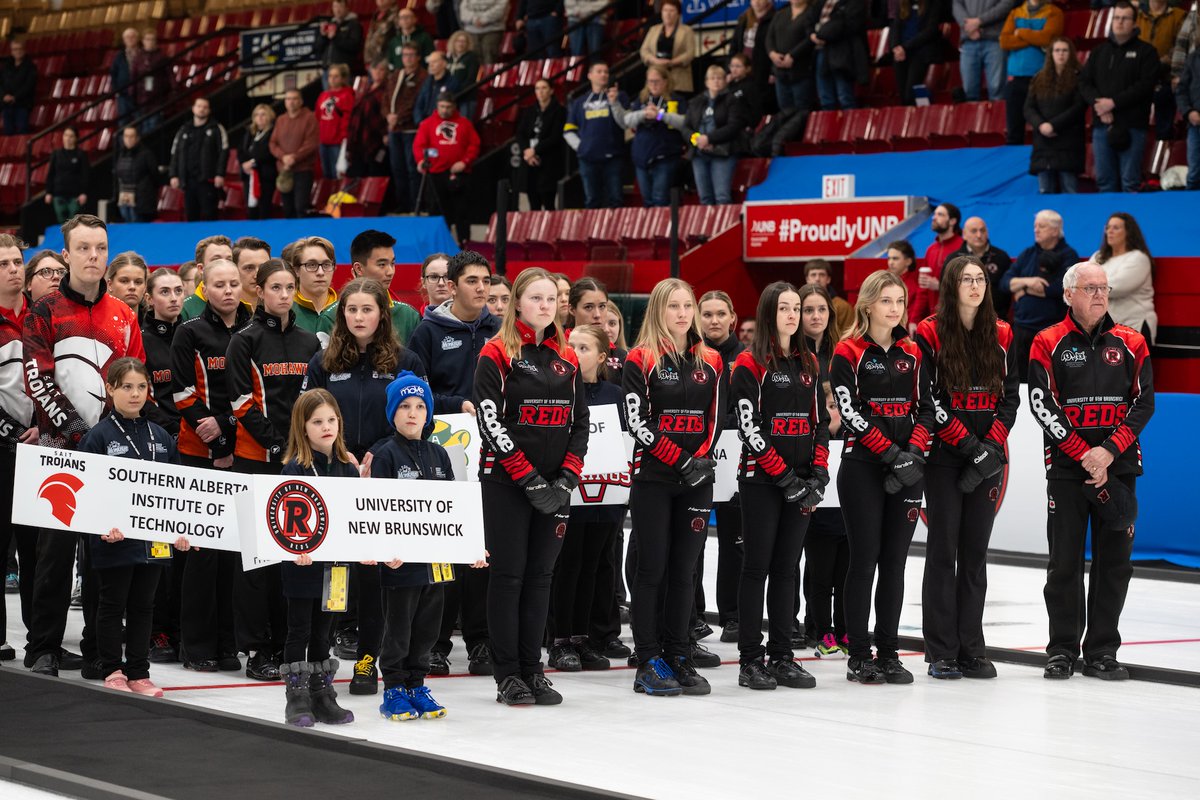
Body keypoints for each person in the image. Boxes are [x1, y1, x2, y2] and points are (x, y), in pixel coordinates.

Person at [22, 216, 146, 678]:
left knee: (103, 557)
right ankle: (43, 648)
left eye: (101, 248)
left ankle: (98, 649)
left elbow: (135, 379)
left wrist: (111, 438)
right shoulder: (45, 310)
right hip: (58, 453)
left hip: (110, 456)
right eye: (84, 248)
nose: (94, 256)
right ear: (67, 254)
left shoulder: (123, 314)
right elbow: (37, 381)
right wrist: (82, 435)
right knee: (53, 557)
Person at [1029, 262, 1154, 681]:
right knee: (1064, 563)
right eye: (1090, 288)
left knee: (1114, 564)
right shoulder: (1047, 341)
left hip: (1119, 467)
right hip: (1068, 469)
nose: (1100, 294)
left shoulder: (1132, 341)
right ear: (1069, 295)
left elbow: (1144, 403)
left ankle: (1102, 651)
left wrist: (1108, 452)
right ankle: (1062, 650)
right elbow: (1041, 405)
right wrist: (1085, 454)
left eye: (1104, 287)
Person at [304, 278, 426, 694]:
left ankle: (367, 661)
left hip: (381, 477)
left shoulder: (405, 360)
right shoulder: (323, 361)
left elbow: (419, 419)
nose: (359, 317)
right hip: (334, 476)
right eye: (351, 309)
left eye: (367, 309)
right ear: (342, 315)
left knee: (373, 576)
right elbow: (307, 418)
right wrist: (339, 452)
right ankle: (321, 658)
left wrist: (378, 451)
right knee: (334, 572)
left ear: (382, 314)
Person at [475, 268, 588, 705]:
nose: (544, 306)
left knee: (541, 578)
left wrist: (567, 477)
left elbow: (580, 423)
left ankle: (533, 670)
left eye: (550, 299)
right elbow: (490, 422)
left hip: (556, 487)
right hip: (506, 483)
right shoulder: (496, 352)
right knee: (508, 577)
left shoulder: (568, 355)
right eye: (535, 298)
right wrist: (528, 479)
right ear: (517, 303)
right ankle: (508, 675)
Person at [914, 255, 1019, 680]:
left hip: (988, 459)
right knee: (943, 552)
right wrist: (969, 446)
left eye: (980, 279)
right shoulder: (928, 332)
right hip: (943, 458)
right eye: (966, 279)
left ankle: (971, 649)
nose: (975, 286)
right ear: (951, 286)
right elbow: (928, 399)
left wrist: (989, 448)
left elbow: (1010, 399)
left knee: (975, 555)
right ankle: (941, 651)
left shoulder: (1004, 333)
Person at [624, 278, 726, 697]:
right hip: (654, 478)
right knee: (652, 569)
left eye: (688, 306)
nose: (682, 314)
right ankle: (648, 659)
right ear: (658, 311)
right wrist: (680, 459)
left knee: (686, 570)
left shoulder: (712, 360)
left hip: (696, 480)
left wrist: (697, 461)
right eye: (673, 306)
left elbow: (715, 419)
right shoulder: (641, 358)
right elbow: (637, 421)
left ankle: (679, 654)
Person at [830, 270, 933, 685]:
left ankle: (889, 653)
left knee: (894, 563)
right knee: (864, 559)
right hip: (863, 468)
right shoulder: (848, 350)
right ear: (868, 305)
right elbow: (849, 412)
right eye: (886, 301)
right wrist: (891, 454)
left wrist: (913, 454)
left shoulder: (914, 351)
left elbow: (927, 408)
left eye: (900, 301)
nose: (895, 309)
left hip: (908, 468)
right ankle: (859, 655)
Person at [731, 281, 828, 690]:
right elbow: (749, 429)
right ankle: (750, 660)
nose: (793, 315)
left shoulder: (809, 362)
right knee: (757, 567)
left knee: (788, 568)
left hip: (801, 483)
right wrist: (785, 477)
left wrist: (818, 474)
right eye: (784, 308)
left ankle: (783, 655)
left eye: (797, 308)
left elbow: (820, 424)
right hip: (762, 482)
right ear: (769, 312)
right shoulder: (749, 363)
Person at [408, 251, 499, 675]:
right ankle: (436, 643)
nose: (481, 288)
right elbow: (416, 391)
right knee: (444, 549)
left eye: (486, 280)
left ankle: (480, 641)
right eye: (472, 281)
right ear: (452, 284)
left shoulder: (499, 330)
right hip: (443, 452)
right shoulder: (428, 332)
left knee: (482, 550)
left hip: (493, 452)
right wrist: (455, 404)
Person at [78, 358, 183, 697]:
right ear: (110, 389)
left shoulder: (161, 437)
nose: (135, 394)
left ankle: (139, 671)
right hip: (114, 539)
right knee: (112, 603)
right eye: (127, 387)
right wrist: (100, 526)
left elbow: (178, 491)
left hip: (153, 539)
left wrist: (181, 530)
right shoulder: (98, 437)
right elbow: (86, 491)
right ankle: (112, 668)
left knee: (143, 605)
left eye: (141, 387)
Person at [171, 258, 251, 672]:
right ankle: (196, 646)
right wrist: (218, 439)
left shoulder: (253, 330)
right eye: (219, 284)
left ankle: (228, 643)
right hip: (198, 452)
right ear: (204, 287)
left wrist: (229, 427)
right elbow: (181, 394)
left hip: (245, 451)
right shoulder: (190, 332)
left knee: (234, 556)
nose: (228, 291)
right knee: (202, 554)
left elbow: (258, 393)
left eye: (234, 283)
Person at [373, 371, 466, 721]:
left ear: (428, 413)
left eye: (420, 406)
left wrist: (467, 547)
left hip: (435, 562)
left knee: (428, 627)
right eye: (404, 406)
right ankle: (394, 687)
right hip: (400, 564)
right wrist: (386, 551)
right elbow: (376, 510)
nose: (413, 413)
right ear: (392, 413)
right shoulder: (385, 455)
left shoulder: (440, 455)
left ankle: (416, 683)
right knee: (398, 627)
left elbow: (454, 507)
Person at [277, 389, 358, 727]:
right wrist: (294, 549)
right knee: (299, 629)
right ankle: (296, 697)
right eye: (317, 422)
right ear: (303, 427)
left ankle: (322, 694)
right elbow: (281, 521)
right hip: (302, 566)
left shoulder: (348, 469)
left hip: (336, 569)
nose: (326, 427)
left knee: (324, 632)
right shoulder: (293, 469)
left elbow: (358, 519)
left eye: (331, 420)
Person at [548, 324, 624, 673]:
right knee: (568, 566)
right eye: (571, 345)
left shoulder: (615, 394)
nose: (575, 353)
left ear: (602, 356)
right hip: (569, 492)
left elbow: (626, 440)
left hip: (606, 494)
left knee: (594, 566)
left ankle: (583, 637)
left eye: (584, 348)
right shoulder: (559, 388)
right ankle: (560, 640)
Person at [228, 259, 321, 471]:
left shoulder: (310, 341)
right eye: (276, 288)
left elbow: (317, 398)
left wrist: (302, 444)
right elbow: (241, 403)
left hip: (303, 454)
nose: (284, 295)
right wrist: (279, 446)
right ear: (260, 292)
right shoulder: (243, 340)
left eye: (290, 287)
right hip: (255, 456)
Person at [795, 283, 848, 657]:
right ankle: (813, 627)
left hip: (840, 465)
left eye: (821, 310)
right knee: (812, 562)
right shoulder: (790, 354)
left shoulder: (840, 354)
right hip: (801, 463)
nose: (815, 316)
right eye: (808, 309)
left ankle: (837, 630)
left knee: (838, 564)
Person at [695, 290, 742, 644]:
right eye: (707, 314)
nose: (714, 320)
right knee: (691, 540)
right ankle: (692, 614)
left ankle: (734, 616)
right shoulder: (691, 356)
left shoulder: (746, 357)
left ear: (732, 318)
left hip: (735, 454)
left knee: (735, 542)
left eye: (720, 314)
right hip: (696, 454)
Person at [0, 235, 38, 668]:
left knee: (37, 552)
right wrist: (13, 431)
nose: (14, 269)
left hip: (39, 448)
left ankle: (41, 641)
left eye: (17, 261)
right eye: (4, 263)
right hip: (3, 448)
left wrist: (43, 426)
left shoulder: (40, 317)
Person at [1080, 1, 1159, 193]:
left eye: (1125, 18)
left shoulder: (1147, 52)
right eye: (1116, 18)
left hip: (1133, 125)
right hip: (1102, 124)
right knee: (1104, 182)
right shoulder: (1099, 52)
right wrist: (1099, 105)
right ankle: (1108, 215)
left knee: (1129, 182)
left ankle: (1130, 215)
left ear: (1134, 23)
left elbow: (1145, 86)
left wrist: (1113, 103)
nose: (1120, 22)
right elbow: (1084, 83)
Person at [1001, 209, 1078, 380]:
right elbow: (1005, 282)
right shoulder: (1028, 254)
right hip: (1022, 329)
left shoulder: (1068, 255)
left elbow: (1061, 288)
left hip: (1052, 329)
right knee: (1020, 379)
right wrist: (1029, 281)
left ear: (1055, 230)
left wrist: (1023, 289)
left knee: (1050, 379)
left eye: (1041, 226)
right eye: (1035, 226)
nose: (1036, 230)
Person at [318, 230, 422, 347]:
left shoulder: (409, 316)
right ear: (358, 269)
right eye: (382, 264)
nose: (390, 272)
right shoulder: (331, 317)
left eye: (392, 264)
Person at [414, 91, 480, 244]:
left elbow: (474, 145)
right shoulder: (427, 124)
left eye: (448, 107)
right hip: (435, 174)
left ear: (454, 106)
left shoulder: (464, 123)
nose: (444, 110)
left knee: (461, 212)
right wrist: (420, 161)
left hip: (459, 174)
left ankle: (464, 245)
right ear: (437, 106)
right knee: (436, 212)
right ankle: (437, 244)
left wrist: (465, 162)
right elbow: (419, 146)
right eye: (442, 106)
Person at [616, 66, 685, 208]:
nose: (653, 85)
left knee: (660, 199)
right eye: (650, 81)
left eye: (656, 81)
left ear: (665, 81)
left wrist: (660, 115)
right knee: (647, 200)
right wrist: (643, 114)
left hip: (665, 156)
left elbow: (684, 123)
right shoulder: (641, 99)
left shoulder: (676, 99)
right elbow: (627, 121)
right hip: (642, 157)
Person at [1025, 37, 1086, 196]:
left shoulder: (1080, 78)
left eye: (1065, 50)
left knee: (1069, 190)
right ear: (1050, 54)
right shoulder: (1038, 78)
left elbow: (1079, 107)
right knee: (1045, 192)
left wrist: (1053, 125)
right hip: (1043, 143)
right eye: (1057, 50)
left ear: (1071, 54)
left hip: (1069, 142)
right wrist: (1041, 125)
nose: (1061, 54)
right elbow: (1028, 108)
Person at [564, 62, 628, 209]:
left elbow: (626, 123)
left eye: (606, 72)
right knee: (592, 200)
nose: (603, 75)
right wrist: (581, 147)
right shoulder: (579, 102)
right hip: (588, 159)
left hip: (613, 157)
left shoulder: (620, 96)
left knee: (616, 199)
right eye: (599, 71)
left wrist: (614, 102)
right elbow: (568, 130)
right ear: (590, 76)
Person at [1000, 0, 1064, 146]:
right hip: (1016, 79)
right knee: (1014, 133)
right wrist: (1035, 38)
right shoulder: (1015, 13)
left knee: (1042, 130)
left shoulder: (1054, 13)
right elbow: (1004, 41)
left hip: (1042, 79)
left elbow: (1047, 38)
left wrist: (1021, 33)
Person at [1091, 212, 1157, 343]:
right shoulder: (1098, 256)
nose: (1110, 231)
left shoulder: (1138, 258)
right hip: (1104, 329)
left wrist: (1088, 286)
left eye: (1116, 228)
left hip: (1133, 326)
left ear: (1128, 232)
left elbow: (1116, 288)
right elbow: (1081, 278)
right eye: (1108, 227)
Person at [685, 65, 746, 207]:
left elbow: (734, 126)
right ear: (706, 82)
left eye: (720, 78)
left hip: (723, 152)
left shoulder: (732, 100)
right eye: (712, 78)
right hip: (699, 153)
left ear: (725, 81)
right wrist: (697, 140)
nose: (716, 81)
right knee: (704, 197)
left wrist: (709, 139)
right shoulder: (696, 102)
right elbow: (686, 127)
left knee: (722, 196)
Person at [168, 97, 228, 222]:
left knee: (209, 215)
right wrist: (173, 174)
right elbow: (175, 153)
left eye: (205, 107)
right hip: (188, 181)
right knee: (191, 215)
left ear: (209, 110)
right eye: (199, 106)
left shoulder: (216, 128)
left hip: (208, 181)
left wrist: (220, 174)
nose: (202, 109)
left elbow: (224, 152)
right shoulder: (184, 129)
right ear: (193, 109)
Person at [141, 268, 184, 437]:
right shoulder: (140, 340)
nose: (174, 298)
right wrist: (171, 430)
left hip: (199, 432)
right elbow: (140, 397)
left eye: (178, 291)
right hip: (160, 433)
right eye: (165, 292)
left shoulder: (195, 335)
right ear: (149, 299)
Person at [1137, 0, 1186, 143]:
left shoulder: (1180, 15)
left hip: (1165, 79)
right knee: (1134, 129)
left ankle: (1163, 149)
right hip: (1138, 81)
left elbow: (1180, 47)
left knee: (1164, 130)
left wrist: (1155, 66)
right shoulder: (1136, 15)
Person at [386, 45, 427, 212]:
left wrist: (398, 117)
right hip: (394, 129)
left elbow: (415, 102)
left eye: (411, 55)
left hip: (411, 129)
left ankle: (415, 205)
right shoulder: (396, 75)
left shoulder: (423, 76)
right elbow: (386, 98)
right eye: (405, 55)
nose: (408, 58)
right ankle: (402, 205)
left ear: (418, 57)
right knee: (397, 169)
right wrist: (387, 115)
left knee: (412, 169)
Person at [516, 79, 567, 211]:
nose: (540, 91)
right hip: (529, 160)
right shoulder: (529, 111)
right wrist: (527, 151)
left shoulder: (559, 111)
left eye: (544, 88)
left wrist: (535, 150)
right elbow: (520, 133)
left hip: (549, 161)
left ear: (551, 91)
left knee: (548, 203)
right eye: (537, 88)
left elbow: (555, 136)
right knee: (533, 203)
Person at [913, 202, 964, 326]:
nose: (934, 218)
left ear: (952, 221)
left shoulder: (963, 247)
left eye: (940, 214)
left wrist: (939, 286)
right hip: (934, 320)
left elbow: (970, 284)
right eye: (935, 214)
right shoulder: (931, 249)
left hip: (958, 319)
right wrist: (914, 319)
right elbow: (923, 288)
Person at [271, 90, 320, 218]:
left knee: (301, 207)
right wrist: (283, 157)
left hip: (303, 169)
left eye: (294, 99)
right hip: (284, 170)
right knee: (287, 209)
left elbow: (311, 143)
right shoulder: (281, 119)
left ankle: (304, 231)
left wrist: (294, 157)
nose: (291, 102)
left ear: (301, 101)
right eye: (288, 99)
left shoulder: (310, 117)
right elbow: (273, 143)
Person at [811, 0, 867, 112]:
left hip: (843, 53)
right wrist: (812, 34)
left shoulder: (854, 3)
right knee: (825, 99)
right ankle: (828, 122)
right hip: (821, 51)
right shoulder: (821, 2)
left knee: (845, 96)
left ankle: (850, 122)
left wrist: (823, 35)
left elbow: (848, 25)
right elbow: (808, 21)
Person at [953, 216, 1013, 321]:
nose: (979, 235)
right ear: (964, 234)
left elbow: (1008, 292)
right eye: (974, 231)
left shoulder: (1001, 257)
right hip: (961, 320)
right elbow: (947, 291)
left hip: (996, 318)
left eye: (982, 230)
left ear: (987, 233)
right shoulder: (954, 260)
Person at [891, 0, 946, 107]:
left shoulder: (933, 4)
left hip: (922, 52)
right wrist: (896, 48)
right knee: (903, 97)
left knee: (910, 94)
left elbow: (930, 31)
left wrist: (905, 47)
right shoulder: (902, 5)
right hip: (902, 54)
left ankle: (926, 109)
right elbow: (895, 28)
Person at [765, 0, 817, 112]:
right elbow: (769, 37)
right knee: (785, 110)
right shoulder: (780, 13)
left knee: (801, 109)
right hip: (780, 72)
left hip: (801, 70)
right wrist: (772, 53)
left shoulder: (812, 13)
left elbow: (810, 38)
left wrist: (793, 55)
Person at [955, 0, 1010, 102]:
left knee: (997, 92)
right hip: (969, 39)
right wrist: (967, 25)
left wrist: (979, 21)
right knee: (969, 91)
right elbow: (956, 3)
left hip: (995, 39)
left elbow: (1007, 3)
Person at [346, 60, 391, 180]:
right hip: (360, 137)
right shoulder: (365, 88)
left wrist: (385, 132)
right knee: (357, 173)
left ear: (386, 72)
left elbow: (385, 113)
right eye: (375, 69)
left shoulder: (388, 90)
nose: (378, 72)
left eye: (381, 70)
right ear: (370, 71)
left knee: (376, 173)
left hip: (377, 137)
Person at [640, 0, 697, 94]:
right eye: (665, 10)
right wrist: (655, 60)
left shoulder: (687, 31)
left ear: (678, 13)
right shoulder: (653, 29)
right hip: (656, 79)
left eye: (671, 10)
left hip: (679, 80)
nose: (668, 14)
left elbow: (690, 53)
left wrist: (671, 62)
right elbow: (644, 50)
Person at [732, 0, 777, 113]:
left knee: (762, 103)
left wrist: (773, 71)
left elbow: (777, 45)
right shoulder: (744, 18)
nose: (757, 2)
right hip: (744, 68)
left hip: (763, 69)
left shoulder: (774, 18)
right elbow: (735, 45)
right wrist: (732, 67)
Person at [180, 235, 236, 322]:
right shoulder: (184, 309)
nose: (224, 265)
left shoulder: (243, 306)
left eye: (229, 260)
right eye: (216, 260)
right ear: (201, 268)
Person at [290, 237, 339, 333]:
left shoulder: (346, 310)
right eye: (312, 265)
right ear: (296, 270)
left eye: (326, 265)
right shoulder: (284, 312)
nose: (320, 272)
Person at [113, 126, 159, 223]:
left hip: (141, 201)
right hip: (124, 198)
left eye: (131, 136)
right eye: (126, 136)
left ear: (137, 138)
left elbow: (155, 176)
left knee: (138, 226)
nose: (128, 139)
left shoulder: (146, 154)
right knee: (127, 225)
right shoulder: (121, 154)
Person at [317, 64, 356, 179]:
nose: (332, 79)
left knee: (338, 175)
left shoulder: (347, 95)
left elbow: (348, 119)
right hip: (323, 141)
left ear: (343, 78)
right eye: (330, 76)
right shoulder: (323, 95)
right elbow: (318, 117)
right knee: (327, 175)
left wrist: (344, 138)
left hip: (338, 142)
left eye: (336, 76)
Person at [44, 127, 90, 223]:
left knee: (73, 222)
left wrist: (83, 192)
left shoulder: (81, 154)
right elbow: (51, 173)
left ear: (76, 138)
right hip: (58, 193)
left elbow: (85, 175)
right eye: (66, 135)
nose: (68, 138)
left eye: (71, 136)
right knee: (61, 221)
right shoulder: (56, 154)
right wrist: (48, 192)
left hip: (75, 195)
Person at [240, 104, 277, 219]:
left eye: (263, 114)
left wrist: (252, 162)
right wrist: (244, 163)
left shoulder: (274, 132)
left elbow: (268, 152)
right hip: (249, 175)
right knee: (251, 209)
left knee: (264, 208)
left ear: (270, 116)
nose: (259, 117)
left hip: (265, 176)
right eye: (257, 115)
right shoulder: (249, 132)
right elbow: (241, 151)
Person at [804, 258, 853, 336]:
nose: (817, 279)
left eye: (822, 275)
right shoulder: (798, 304)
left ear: (828, 279)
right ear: (807, 279)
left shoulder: (842, 307)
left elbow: (848, 337)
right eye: (813, 275)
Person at [134, 29, 170, 131]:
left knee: (154, 125)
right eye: (147, 39)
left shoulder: (162, 56)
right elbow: (134, 76)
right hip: (141, 97)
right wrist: (133, 93)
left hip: (157, 96)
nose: (149, 42)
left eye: (152, 39)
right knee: (142, 126)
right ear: (143, 41)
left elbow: (169, 74)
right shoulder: (138, 57)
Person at [317, 0, 364, 75]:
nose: (337, 10)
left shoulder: (354, 25)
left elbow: (354, 46)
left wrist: (335, 37)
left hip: (343, 71)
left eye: (340, 6)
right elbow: (318, 48)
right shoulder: (330, 24)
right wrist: (323, 36)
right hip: (327, 70)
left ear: (347, 8)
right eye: (335, 7)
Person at [0, 39, 36, 136]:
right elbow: (1, 84)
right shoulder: (6, 67)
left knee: (22, 132)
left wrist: (15, 97)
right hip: (6, 105)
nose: (18, 51)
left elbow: (29, 86)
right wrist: (3, 96)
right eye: (15, 49)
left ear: (24, 50)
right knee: (8, 133)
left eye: (20, 49)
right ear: (11, 51)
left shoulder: (30, 67)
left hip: (22, 104)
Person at [414, 51, 459, 125]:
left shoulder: (452, 82)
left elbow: (449, 108)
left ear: (444, 64)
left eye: (434, 62)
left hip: (441, 124)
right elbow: (418, 104)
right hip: (424, 123)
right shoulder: (427, 81)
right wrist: (419, 121)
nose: (431, 65)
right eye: (430, 62)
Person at [460, 0, 508, 65]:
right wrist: (474, 19)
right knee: (473, 58)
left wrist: (484, 19)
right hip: (471, 30)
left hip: (493, 29)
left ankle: (489, 71)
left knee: (489, 55)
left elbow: (501, 8)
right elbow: (463, 10)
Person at [446, 31, 480, 121]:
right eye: (458, 41)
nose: (460, 44)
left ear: (468, 44)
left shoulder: (472, 58)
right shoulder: (448, 58)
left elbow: (471, 79)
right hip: (450, 98)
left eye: (463, 41)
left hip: (466, 97)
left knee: (464, 123)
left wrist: (457, 92)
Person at [1179, 44, 1200, 190]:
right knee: (1194, 176)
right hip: (1195, 124)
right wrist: (1188, 112)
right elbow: (1181, 90)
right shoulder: (1193, 58)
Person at [111, 28, 142, 125]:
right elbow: (113, 73)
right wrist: (116, 90)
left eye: (133, 37)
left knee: (140, 119)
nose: (130, 39)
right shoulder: (119, 56)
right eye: (127, 37)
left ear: (137, 38)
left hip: (139, 93)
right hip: (123, 93)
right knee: (123, 121)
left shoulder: (143, 54)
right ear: (124, 40)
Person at [232, 237, 271, 311]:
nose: (257, 275)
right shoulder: (222, 312)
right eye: (249, 268)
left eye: (263, 267)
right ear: (234, 270)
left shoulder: (286, 310)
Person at [727, 53, 763, 130]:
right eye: (732, 66)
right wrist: (725, 85)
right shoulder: (728, 84)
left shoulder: (750, 86)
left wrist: (750, 126)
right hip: (728, 122)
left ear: (747, 69)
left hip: (743, 125)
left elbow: (756, 110)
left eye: (738, 66)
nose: (734, 69)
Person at [885, 239, 921, 313]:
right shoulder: (882, 279)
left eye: (895, 258)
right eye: (889, 258)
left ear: (908, 261)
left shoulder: (914, 284)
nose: (890, 262)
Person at [365, 0, 399, 65]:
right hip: (372, 57)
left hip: (386, 59)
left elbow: (398, 38)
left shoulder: (397, 14)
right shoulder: (376, 14)